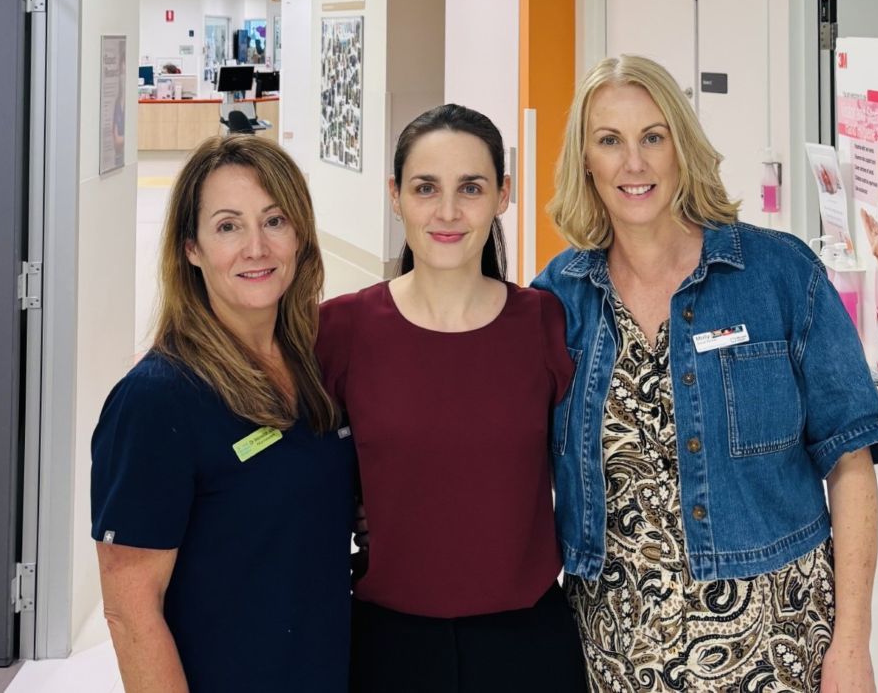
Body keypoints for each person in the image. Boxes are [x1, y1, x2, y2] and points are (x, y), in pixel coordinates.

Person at [534, 55, 878, 693]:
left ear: (682, 146)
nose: (634, 163)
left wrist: (852, 644)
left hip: (780, 645)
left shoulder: (779, 274)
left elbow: (851, 463)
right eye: (609, 141)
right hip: (616, 655)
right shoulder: (557, 299)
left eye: (653, 137)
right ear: (585, 160)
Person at [317, 104, 586, 693]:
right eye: (425, 188)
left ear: (502, 195)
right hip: (388, 643)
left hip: (527, 644)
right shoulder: (339, 331)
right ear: (395, 196)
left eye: (470, 188)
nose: (447, 212)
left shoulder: (546, 322)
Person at [90, 135, 354, 692]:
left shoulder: (316, 367)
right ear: (192, 248)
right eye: (228, 226)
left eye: (275, 221)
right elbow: (131, 612)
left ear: (300, 235)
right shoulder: (157, 400)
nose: (256, 248)